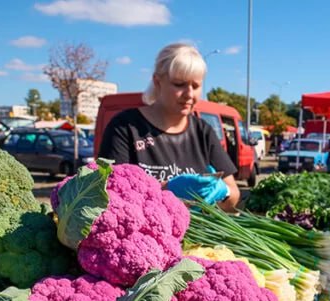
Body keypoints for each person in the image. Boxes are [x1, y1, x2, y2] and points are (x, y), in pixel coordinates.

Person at [98, 43, 240, 210]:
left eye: (195, 86)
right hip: (148, 234)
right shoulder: (125, 127)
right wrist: (166, 190)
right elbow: (109, 194)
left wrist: (223, 192)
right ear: (157, 82)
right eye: (179, 84)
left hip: (197, 235)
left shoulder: (203, 132)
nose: (189, 94)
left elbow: (234, 195)